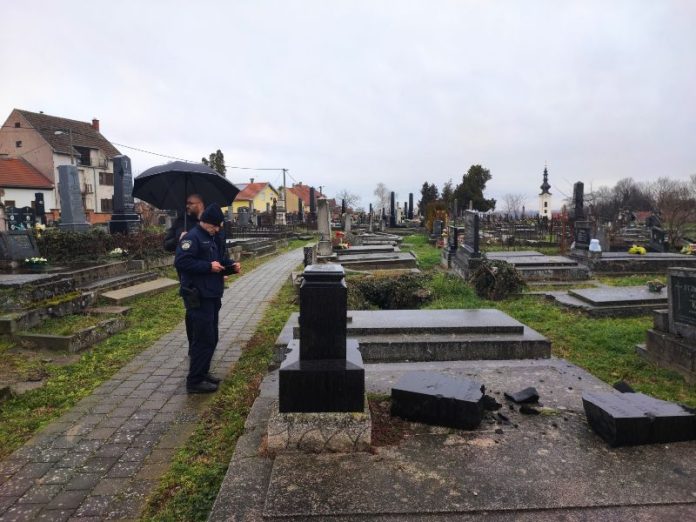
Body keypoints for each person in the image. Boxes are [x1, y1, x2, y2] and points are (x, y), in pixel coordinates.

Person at [175, 203, 241, 393]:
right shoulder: (192, 238)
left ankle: (203, 373)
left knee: (211, 337)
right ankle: (194, 381)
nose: (218, 229)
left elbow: (218, 260)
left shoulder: (212, 237)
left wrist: (231, 266)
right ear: (206, 223)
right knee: (203, 339)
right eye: (216, 226)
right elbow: (181, 262)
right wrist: (208, 267)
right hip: (198, 295)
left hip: (212, 293)